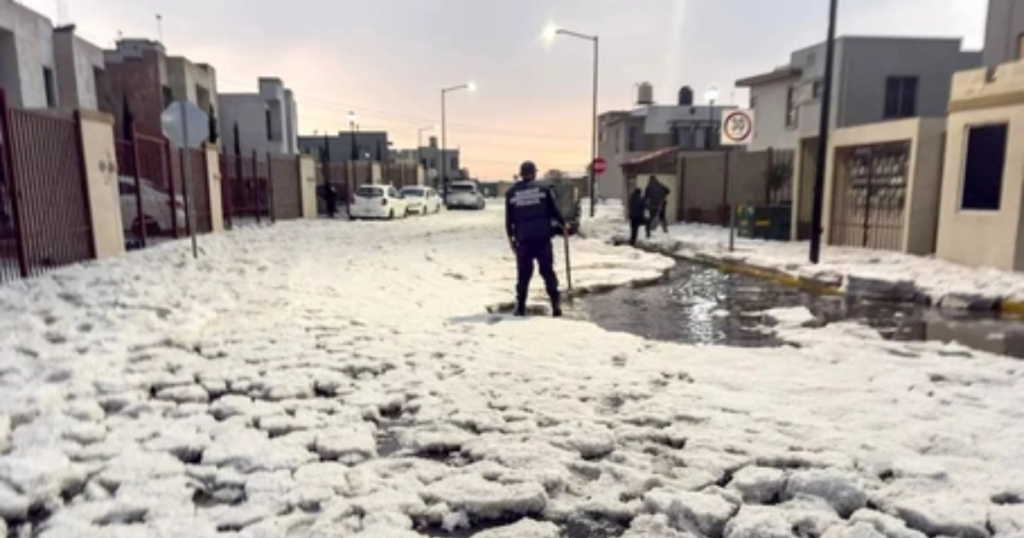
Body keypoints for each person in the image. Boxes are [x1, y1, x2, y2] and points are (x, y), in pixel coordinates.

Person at [505, 160, 566, 317]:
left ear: (521, 173)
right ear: (534, 173)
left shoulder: (511, 193)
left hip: (523, 240)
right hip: (542, 238)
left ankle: (520, 307)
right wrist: (564, 225)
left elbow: (509, 220)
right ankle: (556, 304)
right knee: (547, 271)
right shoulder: (544, 189)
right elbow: (554, 210)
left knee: (523, 274)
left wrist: (511, 239)